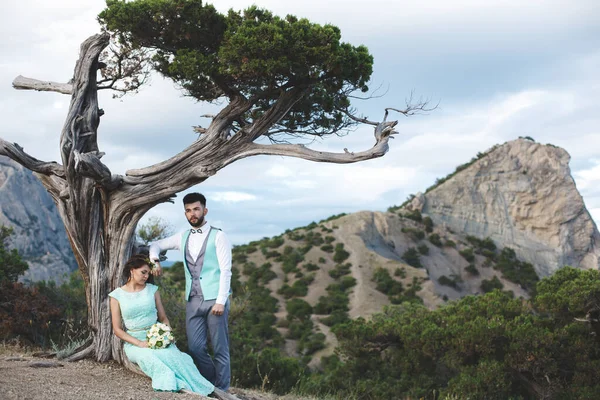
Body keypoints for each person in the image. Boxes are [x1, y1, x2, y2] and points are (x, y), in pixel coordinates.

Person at [149, 192, 232, 391]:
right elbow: (156, 245)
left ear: (205, 210)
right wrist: (154, 260)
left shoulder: (219, 236)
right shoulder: (183, 236)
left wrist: (221, 300)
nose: (192, 214)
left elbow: (226, 270)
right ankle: (209, 385)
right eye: (188, 210)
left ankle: (223, 389)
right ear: (185, 213)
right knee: (195, 347)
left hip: (214, 299)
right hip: (192, 300)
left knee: (220, 348)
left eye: (196, 209)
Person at [109, 255, 214, 395]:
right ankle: (175, 386)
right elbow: (117, 329)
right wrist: (139, 343)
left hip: (157, 336)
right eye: (143, 272)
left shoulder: (152, 290)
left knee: (177, 358)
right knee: (150, 358)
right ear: (132, 270)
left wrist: (167, 334)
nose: (146, 276)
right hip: (134, 342)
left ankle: (201, 388)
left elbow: (163, 318)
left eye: (148, 273)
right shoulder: (117, 295)